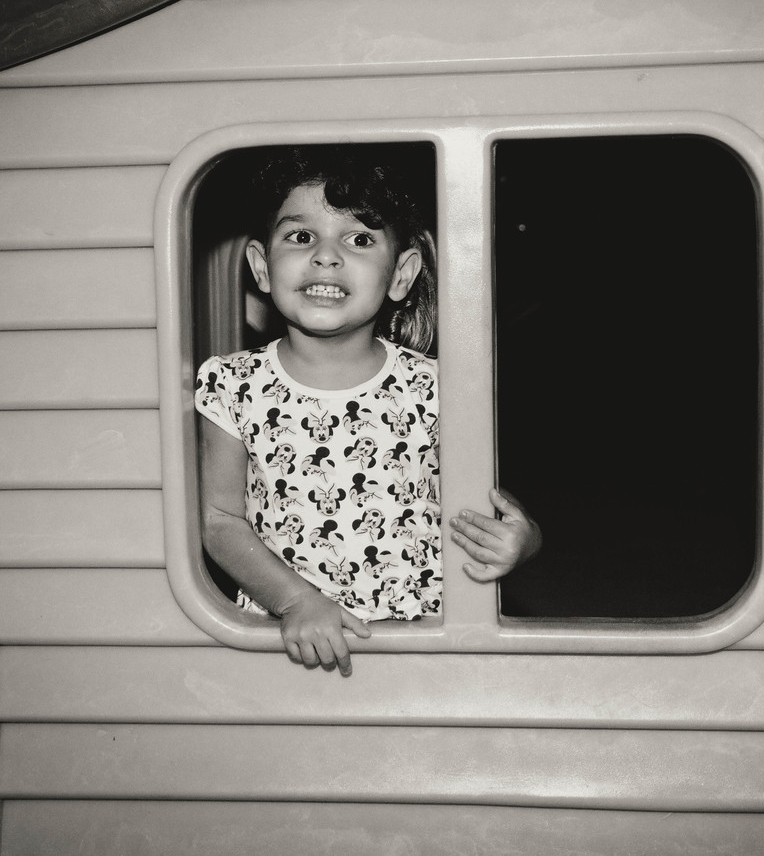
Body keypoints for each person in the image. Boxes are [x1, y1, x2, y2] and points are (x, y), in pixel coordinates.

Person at [195, 144, 540, 676]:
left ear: (401, 275)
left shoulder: (437, 386)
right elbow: (219, 520)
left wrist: (524, 539)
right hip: (288, 644)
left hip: (422, 639)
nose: (326, 255)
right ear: (262, 267)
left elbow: (479, 502)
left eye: (358, 239)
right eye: (301, 236)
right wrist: (295, 601)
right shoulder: (234, 384)